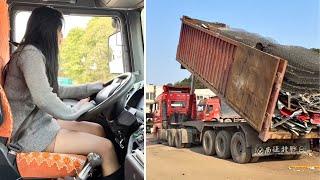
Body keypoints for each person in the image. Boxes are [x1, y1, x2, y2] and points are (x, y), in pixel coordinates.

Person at [4, 6, 121, 180]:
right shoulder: (30, 54)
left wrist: (93, 87)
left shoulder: (32, 53)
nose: (61, 38)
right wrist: (76, 111)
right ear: (48, 31)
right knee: (106, 148)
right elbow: (44, 99)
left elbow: (55, 90)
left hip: (40, 125)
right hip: (29, 135)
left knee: (98, 130)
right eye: (59, 32)